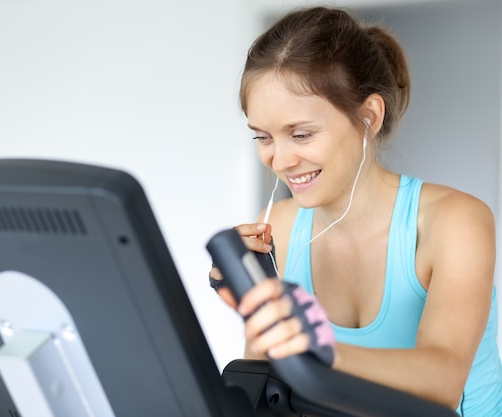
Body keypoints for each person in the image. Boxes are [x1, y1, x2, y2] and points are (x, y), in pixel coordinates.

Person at [209, 6, 502, 416]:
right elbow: (265, 389)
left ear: (369, 117)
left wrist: (316, 349)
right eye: (263, 137)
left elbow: (443, 384)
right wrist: (256, 307)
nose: (279, 160)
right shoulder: (282, 226)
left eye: (301, 134)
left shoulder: (454, 222)